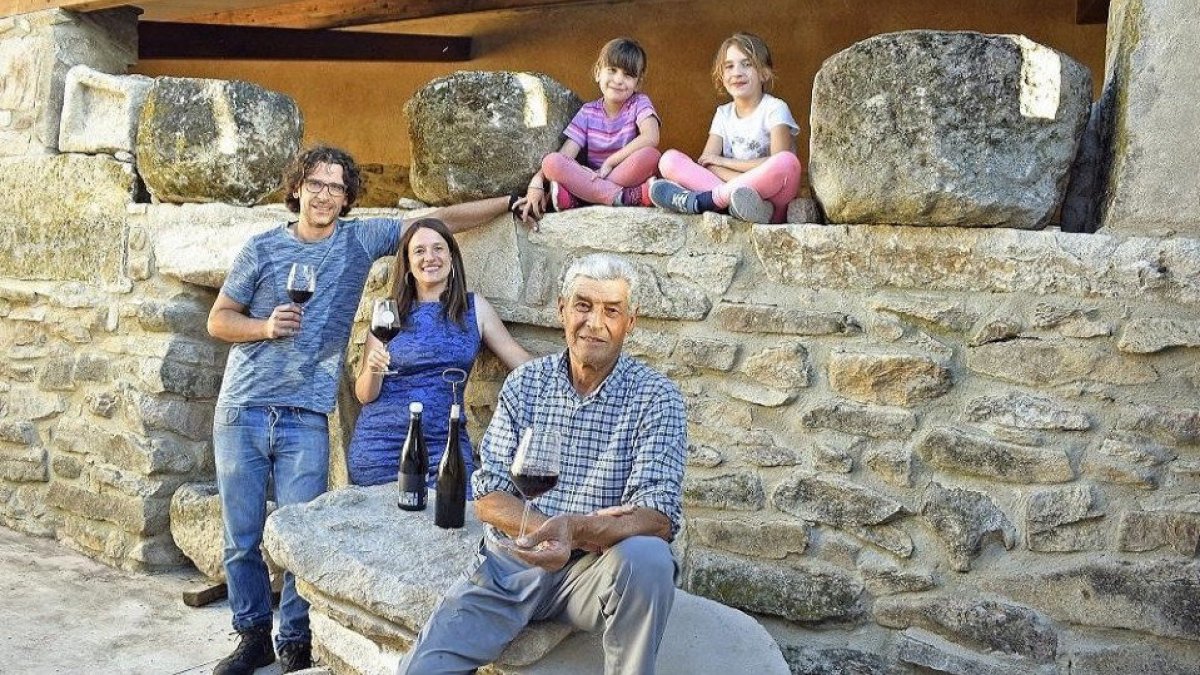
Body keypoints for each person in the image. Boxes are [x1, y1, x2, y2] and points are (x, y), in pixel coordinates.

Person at [206, 145, 528, 675]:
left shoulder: (359, 239)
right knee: (241, 536)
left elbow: (436, 224)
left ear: (347, 197)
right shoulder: (261, 248)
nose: (324, 195)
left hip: (307, 413)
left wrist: (510, 201)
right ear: (296, 189)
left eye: (335, 186)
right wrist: (263, 327)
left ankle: (297, 639)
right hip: (244, 405)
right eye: (315, 183)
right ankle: (252, 637)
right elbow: (218, 320)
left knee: (304, 530)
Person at [398, 253, 687, 675]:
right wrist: (550, 534)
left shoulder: (657, 397)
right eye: (583, 305)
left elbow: (657, 515)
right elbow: (489, 495)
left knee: (648, 558)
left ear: (631, 322)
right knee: (422, 668)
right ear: (561, 310)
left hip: (593, 572)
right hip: (512, 563)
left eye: (612, 311)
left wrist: (576, 531)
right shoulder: (526, 383)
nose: (594, 322)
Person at [347, 217, 531, 487]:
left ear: (451, 256)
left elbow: (518, 359)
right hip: (382, 448)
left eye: (438, 248)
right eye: (419, 251)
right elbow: (365, 395)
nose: (429, 257)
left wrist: (570, 365)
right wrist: (374, 370)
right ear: (408, 263)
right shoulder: (388, 312)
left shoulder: (474, 308)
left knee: (457, 510)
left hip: (445, 446)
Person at [650, 32, 802, 224]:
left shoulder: (775, 108)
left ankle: (709, 201)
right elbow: (708, 162)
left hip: (772, 199)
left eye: (747, 64)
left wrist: (724, 163)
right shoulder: (723, 113)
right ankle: (739, 204)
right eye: (729, 66)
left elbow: (776, 161)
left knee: (787, 161)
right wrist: (736, 181)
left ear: (764, 73)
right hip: (735, 195)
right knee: (669, 160)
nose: (737, 72)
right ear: (722, 76)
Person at [518, 37, 661, 219]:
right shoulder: (587, 112)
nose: (618, 80)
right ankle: (621, 197)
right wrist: (537, 181)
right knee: (551, 161)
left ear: (638, 83)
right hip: (591, 176)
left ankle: (582, 198)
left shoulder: (639, 102)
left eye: (628, 75)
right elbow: (565, 154)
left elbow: (651, 137)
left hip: (621, 174)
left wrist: (610, 163)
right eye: (612, 70)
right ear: (598, 72)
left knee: (651, 155)